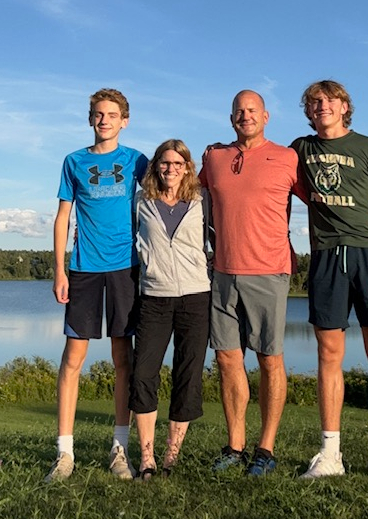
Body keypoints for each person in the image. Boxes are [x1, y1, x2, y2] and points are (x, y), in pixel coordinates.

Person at [291, 80, 368, 484]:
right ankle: (330, 455)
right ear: (308, 112)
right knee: (328, 355)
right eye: (313, 102)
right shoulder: (300, 148)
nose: (321, 106)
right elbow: (279, 178)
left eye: (329, 100)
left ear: (344, 107)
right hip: (326, 257)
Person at [199, 90, 308, 476]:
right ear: (231, 118)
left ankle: (266, 449)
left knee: (269, 359)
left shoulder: (287, 158)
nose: (245, 116)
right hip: (222, 273)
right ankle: (235, 446)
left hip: (269, 271)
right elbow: (185, 196)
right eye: (238, 111)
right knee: (227, 359)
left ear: (265, 116)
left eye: (252, 110)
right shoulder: (214, 158)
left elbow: (322, 200)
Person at [45, 88, 148, 482]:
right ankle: (64, 453)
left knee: (124, 359)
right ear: (91, 119)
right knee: (73, 358)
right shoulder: (74, 161)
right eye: (98, 114)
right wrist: (60, 270)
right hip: (84, 269)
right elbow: (63, 217)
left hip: (125, 268)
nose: (104, 120)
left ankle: (119, 450)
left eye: (112, 115)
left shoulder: (137, 160)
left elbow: (164, 194)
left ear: (125, 121)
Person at [129, 139, 211, 480]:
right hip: (154, 297)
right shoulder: (140, 201)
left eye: (178, 163)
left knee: (187, 375)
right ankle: (147, 457)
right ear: (156, 166)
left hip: (196, 296)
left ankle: (171, 456)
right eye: (165, 163)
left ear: (188, 167)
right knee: (143, 374)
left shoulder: (202, 201)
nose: (171, 169)